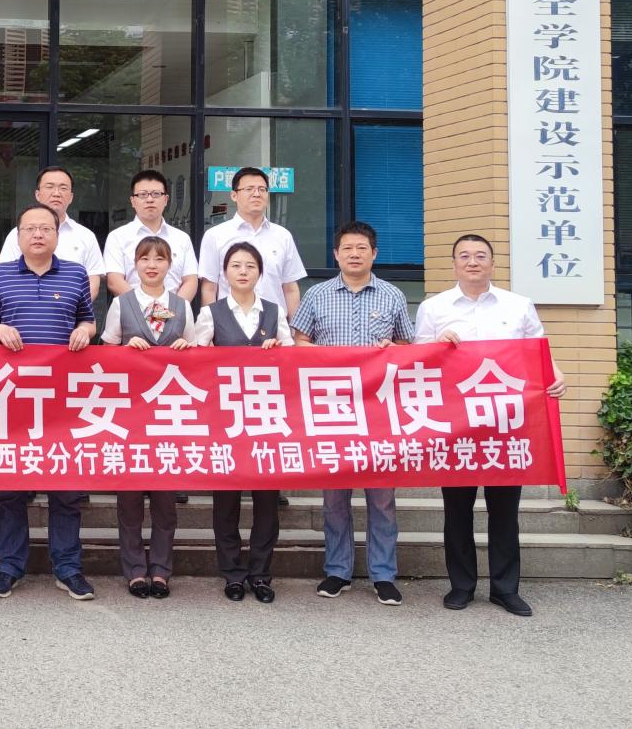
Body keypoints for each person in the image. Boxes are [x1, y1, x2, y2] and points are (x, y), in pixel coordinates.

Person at [414, 233, 568, 618]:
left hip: (506, 423)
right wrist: (436, 345)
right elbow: (416, 362)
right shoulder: (434, 308)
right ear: (454, 264)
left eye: (480, 256)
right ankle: (461, 586)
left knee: (504, 512)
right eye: (464, 256)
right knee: (457, 510)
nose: (473, 262)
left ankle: (505, 588)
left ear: (493, 264)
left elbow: (539, 349)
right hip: (456, 425)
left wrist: (555, 374)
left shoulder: (518, 305)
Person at [0, 203, 98, 602]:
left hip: (63, 398)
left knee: (66, 485)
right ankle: (9, 567)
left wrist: (85, 330)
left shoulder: (76, 274)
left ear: (57, 235)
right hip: (13, 397)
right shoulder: (1, 274)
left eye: (45, 228)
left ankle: (69, 568)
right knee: (10, 485)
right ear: (19, 235)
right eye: (30, 228)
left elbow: (88, 319)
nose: (38, 235)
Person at [291, 220, 413, 606]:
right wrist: (328, 357)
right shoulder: (317, 295)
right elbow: (299, 342)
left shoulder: (393, 295)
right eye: (347, 248)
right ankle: (337, 571)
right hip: (333, 410)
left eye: (362, 248)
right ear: (336, 254)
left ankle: (384, 574)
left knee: (382, 498)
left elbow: (408, 347)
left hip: (379, 412)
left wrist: (392, 349)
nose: (354, 254)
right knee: (334, 497)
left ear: (374, 254)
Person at [100, 237, 210, 599]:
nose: (151, 265)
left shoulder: (181, 305)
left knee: (165, 500)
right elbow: (105, 354)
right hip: (130, 414)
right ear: (134, 264)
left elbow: (196, 355)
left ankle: (161, 570)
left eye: (159, 259)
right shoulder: (122, 303)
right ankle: (135, 569)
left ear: (169, 265)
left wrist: (186, 348)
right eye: (145, 259)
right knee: (130, 499)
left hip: (168, 415)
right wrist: (124, 349)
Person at [208, 241, 290, 605]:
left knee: (266, 503)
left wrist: (279, 352)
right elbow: (195, 361)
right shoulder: (210, 313)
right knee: (225, 502)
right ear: (225, 272)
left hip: (266, 419)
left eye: (250, 266)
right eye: (236, 265)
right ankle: (232, 573)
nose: (243, 271)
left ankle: (260, 573)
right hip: (224, 421)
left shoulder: (274, 311)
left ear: (260, 273)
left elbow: (294, 361)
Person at [197, 167, 308, 317]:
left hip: (275, 323)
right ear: (234, 195)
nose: (257, 194)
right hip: (230, 323)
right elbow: (209, 288)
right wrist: (212, 325)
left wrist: (293, 328)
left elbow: (290, 288)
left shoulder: (283, 235)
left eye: (262, 189)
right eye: (249, 189)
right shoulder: (215, 235)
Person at [0, 166, 106, 299]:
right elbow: (5, 278)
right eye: (50, 187)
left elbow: (93, 283)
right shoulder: (18, 234)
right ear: (37, 194)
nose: (56, 193)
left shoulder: (86, 236)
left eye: (63, 188)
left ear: (71, 197)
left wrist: (73, 308)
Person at [101, 169, 197, 300]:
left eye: (156, 194)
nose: (150, 199)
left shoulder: (182, 238)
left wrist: (173, 309)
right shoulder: (117, 237)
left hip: (174, 311)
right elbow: (114, 281)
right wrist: (146, 308)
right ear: (133, 201)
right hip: (132, 310)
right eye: (142, 195)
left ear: (166, 199)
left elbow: (191, 280)